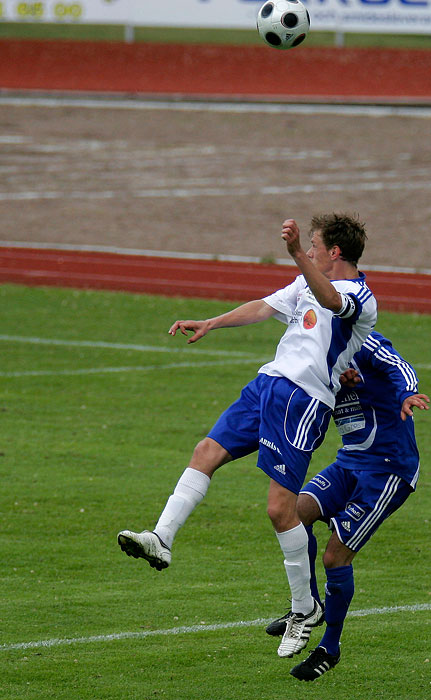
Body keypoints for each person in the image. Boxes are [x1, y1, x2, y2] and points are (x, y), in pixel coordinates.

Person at [118, 214, 377, 660]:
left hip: (304, 402)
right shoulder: (304, 282)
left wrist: (297, 254)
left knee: (280, 510)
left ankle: (305, 608)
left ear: (334, 252)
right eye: (308, 246)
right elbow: (264, 306)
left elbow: (331, 300)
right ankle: (161, 539)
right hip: (267, 385)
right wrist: (212, 322)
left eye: (315, 246)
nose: (310, 251)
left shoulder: (361, 298)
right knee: (206, 451)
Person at [265, 331, 429, 681]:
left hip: (388, 469)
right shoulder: (321, 358)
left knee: (334, 557)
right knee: (293, 514)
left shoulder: (362, 339)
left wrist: (407, 394)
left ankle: (330, 647)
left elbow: (400, 367)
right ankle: (308, 608)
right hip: (349, 461)